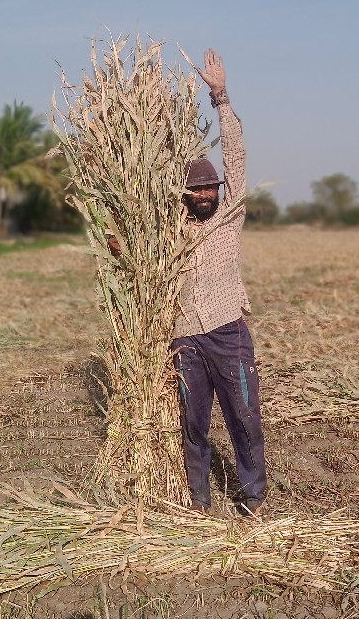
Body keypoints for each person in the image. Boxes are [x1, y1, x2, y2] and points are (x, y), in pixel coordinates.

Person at [109, 49, 267, 515]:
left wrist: (220, 95)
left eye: (208, 189)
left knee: (243, 415)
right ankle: (198, 499)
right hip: (184, 338)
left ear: (219, 191)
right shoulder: (170, 228)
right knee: (192, 421)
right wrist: (122, 249)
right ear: (184, 194)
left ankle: (253, 497)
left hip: (227, 330)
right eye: (194, 189)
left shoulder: (228, 216)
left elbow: (235, 153)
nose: (202, 195)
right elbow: (142, 259)